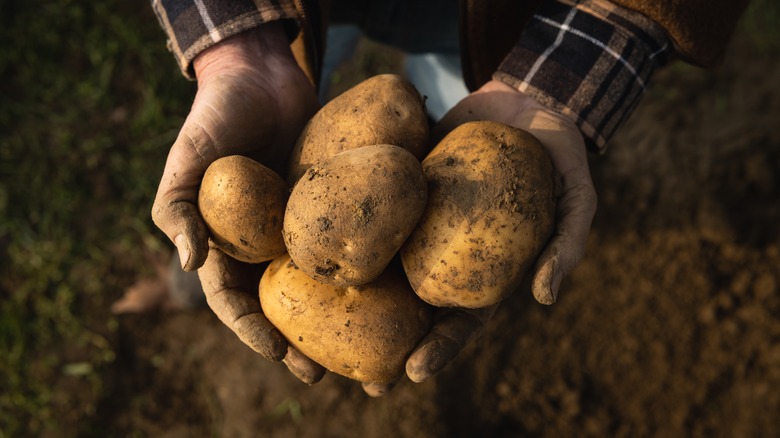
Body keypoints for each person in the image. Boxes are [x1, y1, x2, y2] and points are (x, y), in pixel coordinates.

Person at [148, 0, 750, 396]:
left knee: (451, 101)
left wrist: (581, 57)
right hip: (296, 9)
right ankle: (205, 256)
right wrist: (237, 47)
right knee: (280, 113)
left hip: (516, 20)